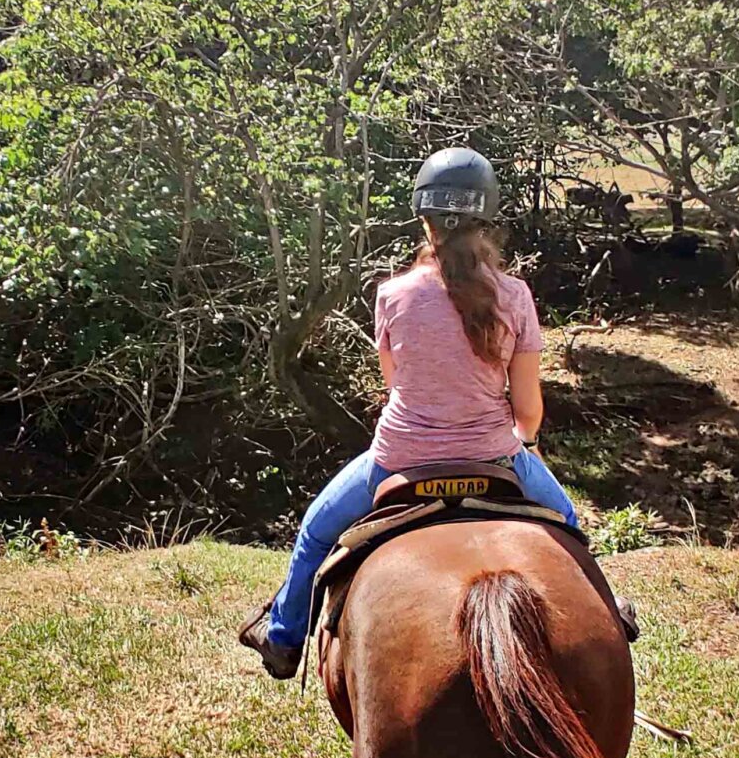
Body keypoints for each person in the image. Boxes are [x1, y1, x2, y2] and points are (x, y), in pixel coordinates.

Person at [240, 146, 580, 679]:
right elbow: (529, 408)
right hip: (495, 455)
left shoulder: (393, 294)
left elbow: (396, 383)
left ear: (424, 219)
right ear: (485, 220)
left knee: (315, 531)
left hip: (399, 458)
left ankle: (283, 638)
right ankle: (611, 614)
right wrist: (524, 442)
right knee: (571, 523)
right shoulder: (515, 296)